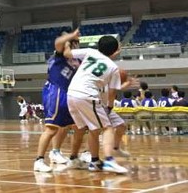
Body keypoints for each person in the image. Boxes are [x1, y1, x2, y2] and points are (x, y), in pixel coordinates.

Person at [67, 35, 128, 174]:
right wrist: (110, 107)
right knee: (107, 128)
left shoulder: (90, 52)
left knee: (93, 129)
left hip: (71, 93)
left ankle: (94, 161)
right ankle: (109, 161)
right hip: (87, 94)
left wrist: (65, 42)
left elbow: (67, 53)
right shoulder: (113, 67)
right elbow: (112, 93)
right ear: (115, 51)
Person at [33, 30, 83, 173]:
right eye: (75, 42)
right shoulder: (60, 54)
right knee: (51, 128)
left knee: (73, 126)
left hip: (70, 93)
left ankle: (65, 155)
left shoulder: (77, 59)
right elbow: (58, 42)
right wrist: (70, 36)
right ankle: (39, 160)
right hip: (56, 91)